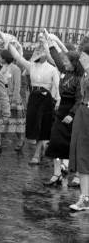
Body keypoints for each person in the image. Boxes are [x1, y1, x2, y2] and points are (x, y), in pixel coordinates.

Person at [1, 31, 60, 165]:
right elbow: (17, 56)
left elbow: (57, 86)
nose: (36, 54)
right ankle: (44, 146)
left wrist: (58, 100)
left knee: (42, 126)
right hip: (34, 98)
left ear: (45, 54)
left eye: (40, 52)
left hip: (46, 99)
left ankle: (37, 154)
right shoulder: (31, 66)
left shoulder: (52, 69)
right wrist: (9, 43)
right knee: (33, 126)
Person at [44, 40, 83, 186]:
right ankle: (57, 174)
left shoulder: (80, 78)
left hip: (73, 113)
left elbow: (79, 100)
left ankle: (78, 175)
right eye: (64, 61)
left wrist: (71, 115)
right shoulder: (64, 72)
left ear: (74, 62)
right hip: (61, 113)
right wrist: (50, 43)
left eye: (67, 61)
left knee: (74, 146)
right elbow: (56, 58)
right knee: (55, 144)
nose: (64, 63)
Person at [68, 42, 89, 210]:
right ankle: (85, 198)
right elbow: (64, 59)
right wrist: (52, 42)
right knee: (82, 154)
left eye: (83, 55)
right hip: (84, 112)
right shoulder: (84, 72)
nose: (80, 58)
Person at [0, 49, 25, 150]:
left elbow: (17, 85)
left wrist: (15, 100)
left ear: (5, 58)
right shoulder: (0, 68)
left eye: (1, 57)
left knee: (16, 122)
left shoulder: (15, 69)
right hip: (2, 98)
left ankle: (21, 140)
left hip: (13, 99)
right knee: (0, 121)